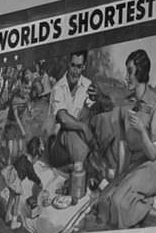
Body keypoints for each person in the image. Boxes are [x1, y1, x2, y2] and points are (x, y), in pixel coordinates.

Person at [99, 49, 156, 228]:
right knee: (104, 202)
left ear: (141, 72)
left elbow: (153, 153)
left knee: (119, 203)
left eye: (130, 71)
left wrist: (142, 131)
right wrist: (119, 177)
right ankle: (146, 203)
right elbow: (123, 146)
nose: (126, 76)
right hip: (132, 167)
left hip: (150, 168)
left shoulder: (155, 106)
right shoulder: (125, 106)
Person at [47, 50, 114, 204]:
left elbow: (108, 106)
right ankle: (98, 175)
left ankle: (93, 172)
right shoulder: (58, 88)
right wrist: (83, 127)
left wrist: (99, 98)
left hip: (78, 145)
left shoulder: (87, 85)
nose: (75, 71)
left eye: (79, 66)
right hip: (58, 147)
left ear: (83, 66)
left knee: (98, 123)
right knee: (69, 130)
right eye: (73, 66)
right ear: (68, 65)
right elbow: (62, 118)